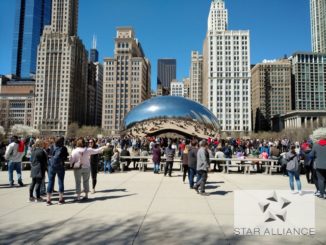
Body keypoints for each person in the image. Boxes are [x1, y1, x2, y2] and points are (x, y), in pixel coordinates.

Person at [46, 137, 68, 205]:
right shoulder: (64, 148)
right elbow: (65, 157)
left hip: (52, 166)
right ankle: (60, 199)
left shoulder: (52, 146)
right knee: (60, 181)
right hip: (60, 166)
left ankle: (48, 199)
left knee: (50, 181)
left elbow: (49, 154)